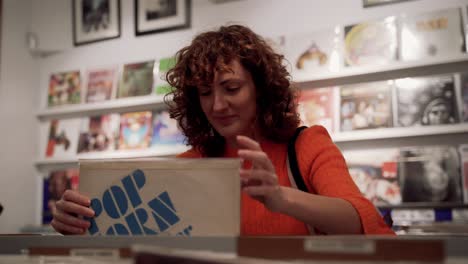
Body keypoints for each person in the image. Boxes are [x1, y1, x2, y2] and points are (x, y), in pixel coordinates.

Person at [51, 24, 394, 236]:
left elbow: (363, 221)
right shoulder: (191, 163)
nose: (216, 105)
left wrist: (279, 198)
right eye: (204, 93)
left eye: (231, 88)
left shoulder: (306, 145)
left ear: (261, 88)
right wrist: (81, 223)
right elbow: (141, 243)